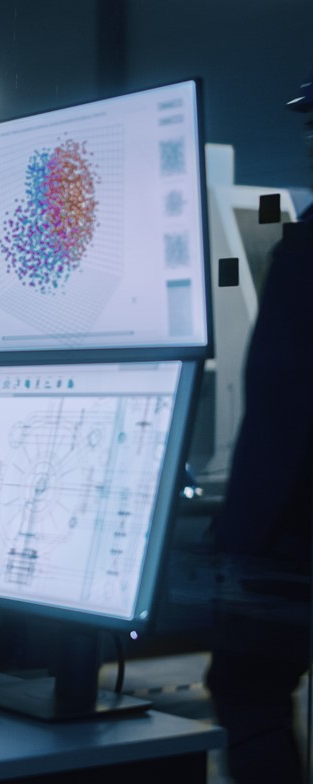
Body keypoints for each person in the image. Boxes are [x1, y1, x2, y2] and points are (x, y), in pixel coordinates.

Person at [205, 72, 313, 784]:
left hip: (293, 539)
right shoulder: (287, 230)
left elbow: (281, 402)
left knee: (248, 690)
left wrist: (236, 541)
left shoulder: (301, 253)